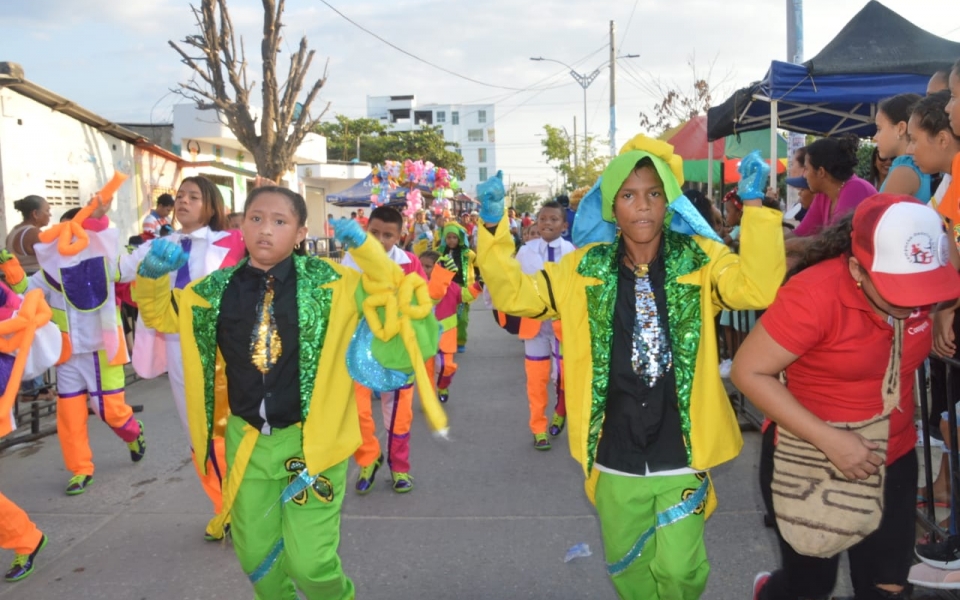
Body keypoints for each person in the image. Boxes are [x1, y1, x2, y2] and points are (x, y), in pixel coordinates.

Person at [476, 137, 785, 599]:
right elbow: (516, 296)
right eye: (628, 195)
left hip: (683, 447)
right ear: (611, 207)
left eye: (653, 193)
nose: (642, 206)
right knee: (627, 569)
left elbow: (757, 289)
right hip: (612, 450)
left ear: (668, 201)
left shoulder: (700, 257)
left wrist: (757, 209)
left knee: (681, 571)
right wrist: (491, 226)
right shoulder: (582, 268)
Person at [134, 186, 408, 599]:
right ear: (241, 225)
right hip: (249, 446)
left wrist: (368, 250)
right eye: (256, 219)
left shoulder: (336, 283)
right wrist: (152, 277)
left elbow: (395, 296)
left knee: (311, 566)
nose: (265, 230)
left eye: (280, 222)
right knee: (257, 560)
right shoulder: (212, 291)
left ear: (301, 232)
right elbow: (160, 314)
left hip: (315, 445)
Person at [733, 196, 960, 600]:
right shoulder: (815, 293)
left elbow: (950, 273)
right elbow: (748, 371)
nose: (913, 306)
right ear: (857, 269)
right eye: (899, 292)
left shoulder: (927, 283)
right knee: (809, 586)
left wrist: (944, 308)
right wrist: (831, 441)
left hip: (894, 455)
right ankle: (771, 591)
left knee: (887, 587)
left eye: (924, 290)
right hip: (809, 456)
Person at [120, 176, 245, 540]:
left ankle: (245, 505)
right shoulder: (158, 246)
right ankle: (223, 507)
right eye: (179, 196)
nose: (183, 202)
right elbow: (118, 270)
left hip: (230, 349)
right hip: (179, 347)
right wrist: (93, 226)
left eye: (193, 196)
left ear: (212, 204)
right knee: (198, 430)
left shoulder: (235, 241)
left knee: (232, 425)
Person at [21, 195, 145, 496]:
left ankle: (133, 432)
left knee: (110, 411)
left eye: (74, 231)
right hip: (67, 356)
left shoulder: (106, 261)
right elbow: (24, 293)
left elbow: (129, 267)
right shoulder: (49, 273)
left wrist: (101, 219)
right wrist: (11, 274)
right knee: (70, 416)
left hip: (102, 350)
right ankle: (80, 469)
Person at [344, 206, 429, 495]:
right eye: (374, 233)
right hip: (359, 348)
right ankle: (368, 457)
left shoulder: (410, 263)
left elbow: (421, 303)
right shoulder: (351, 260)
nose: (380, 240)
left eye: (388, 235)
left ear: (400, 236)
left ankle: (400, 467)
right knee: (357, 410)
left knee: (398, 413)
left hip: (397, 350)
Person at [512, 201, 576, 449]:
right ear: (536, 223)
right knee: (536, 380)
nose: (547, 223)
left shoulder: (571, 252)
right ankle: (538, 428)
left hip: (562, 325)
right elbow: (515, 283)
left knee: (563, 376)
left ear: (564, 225)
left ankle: (560, 409)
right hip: (534, 326)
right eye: (542, 219)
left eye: (553, 219)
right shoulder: (526, 251)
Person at [418, 250, 482, 404]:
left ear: (439, 268)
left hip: (445, 336)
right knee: (426, 372)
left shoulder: (450, 286)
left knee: (447, 367)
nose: (424, 270)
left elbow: (464, 295)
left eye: (428, 266)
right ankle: (428, 400)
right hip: (423, 337)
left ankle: (442, 385)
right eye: (421, 266)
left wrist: (478, 286)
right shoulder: (415, 286)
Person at [789, 135, 877, 239]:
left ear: (821, 172)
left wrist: (785, 245)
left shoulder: (855, 188)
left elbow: (832, 243)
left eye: (807, 169)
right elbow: (801, 233)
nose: (804, 175)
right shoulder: (823, 193)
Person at [874, 93, 932, 202]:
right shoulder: (919, 164)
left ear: (900, 128)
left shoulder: (904, 170)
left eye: (879, 129)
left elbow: (881, 217)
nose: (875, 137)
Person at [439, 222, 477, 353]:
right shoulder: (439, 252)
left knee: (462, 317)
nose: (451, 240)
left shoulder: (467, 254)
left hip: (462, 289)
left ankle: (460, 340)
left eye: (454, 237)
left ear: (459, 238)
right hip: (446, 289)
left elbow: (478, 263)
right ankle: (446, 340)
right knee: (447, 316)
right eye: (448, 237)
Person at [5, 196, 51, 277]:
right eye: (47, 210)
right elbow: (52, 257)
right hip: (32, 282)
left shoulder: (15, 229)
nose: (50, 214)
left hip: (18, 282)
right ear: (35, 214)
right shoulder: (34, 233)